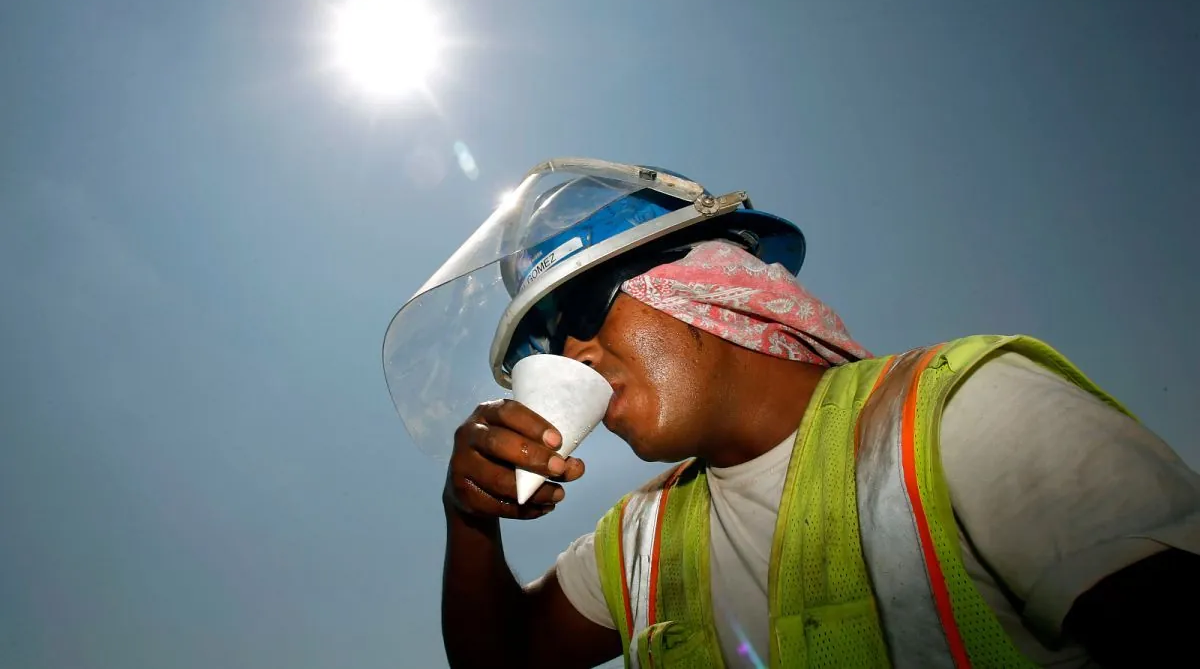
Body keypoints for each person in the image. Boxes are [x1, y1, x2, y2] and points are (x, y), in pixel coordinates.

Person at [385, 159, 1200, 668]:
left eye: (586, 310)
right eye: (552, 344)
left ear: (702, 276)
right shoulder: (639, 540)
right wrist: (470, 518)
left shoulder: (966, 415)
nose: (574, 355)